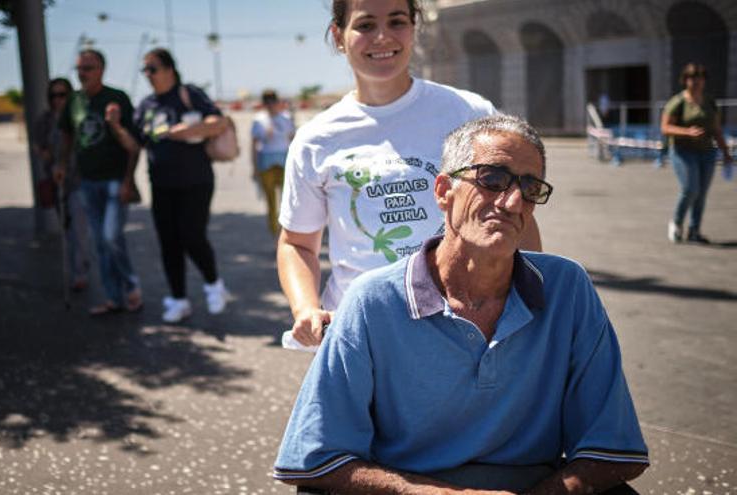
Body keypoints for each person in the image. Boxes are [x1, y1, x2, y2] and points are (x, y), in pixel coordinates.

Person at [274, 115, 649, 494]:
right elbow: (314, 458)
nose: (513, 201)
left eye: (530, 187)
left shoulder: (567, 289)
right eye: (492, 179)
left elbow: (613, 450)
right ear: (443, 191)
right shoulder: (371, 302)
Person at [278, 0, 542, 347]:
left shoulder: (468, 113)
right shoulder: (316, 139)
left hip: (466, 325)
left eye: (397, 21)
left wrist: (533, 305)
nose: (383, 37)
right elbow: (297, 244)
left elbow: (515, 216)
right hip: (360, 332)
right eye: (365, 25)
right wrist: (306, 309)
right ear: (338, 36)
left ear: (415, 28)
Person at [134, 47, 231, 323]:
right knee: (169, 242)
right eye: (145, 70)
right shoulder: (147, 105)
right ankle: (178, 299)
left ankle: (214, 285)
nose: (148, 75)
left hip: (195, 181)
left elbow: (217, 121)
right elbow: (137, 142)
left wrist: (188, 131)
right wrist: (116, 126)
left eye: (152, 68)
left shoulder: (188, 94)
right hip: (161, 184)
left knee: (191, 234)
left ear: (169, 70)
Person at [55, 49, 142, 315]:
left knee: (111, 236)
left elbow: (133, 145)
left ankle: (130, 285)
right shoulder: (75, 102)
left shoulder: (117, 98)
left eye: (88, 68)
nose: (83, 74)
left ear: (101, 70)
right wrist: (62, 163)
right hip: (87, 182)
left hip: (115, 179)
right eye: (80, 69)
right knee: (100, 242)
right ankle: (113, 297)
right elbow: (68, 136)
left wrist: (129, 179)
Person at [661, 62, 733, 244]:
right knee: (690, 189)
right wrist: (686, 132)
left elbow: (716, 129)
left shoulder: (709, 102)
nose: (696, 81)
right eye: (692, 77)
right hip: (682, 151)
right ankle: (676, 223)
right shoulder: (677, 102)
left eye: (700, 78)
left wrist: (725, 152)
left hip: (707, 153)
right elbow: (665, 127)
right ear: (685, 80)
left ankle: (694, 231)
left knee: (701, 193)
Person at [33, 77, 91, 291]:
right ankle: (76, 266)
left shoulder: (78, 117)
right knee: (67, 229)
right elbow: (38, 145)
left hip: (78, 181)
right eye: (53, 96)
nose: (58, 100)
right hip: (57, 182)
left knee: (79, 229)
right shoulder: (45, 120)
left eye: (62, 95)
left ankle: (80, 271)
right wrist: (45, 154)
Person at [251, 89, 295, 236]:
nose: (270, 106)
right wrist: (254, 167)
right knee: (271, 202)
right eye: (267, 103)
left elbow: (293, 140)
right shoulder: (259, 120)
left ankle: (286, 233)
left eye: (273, 102)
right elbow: (254, 144)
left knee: (287, 201)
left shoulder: (286, 118)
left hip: (284, 161)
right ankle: (275, 235)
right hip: (266, 162)